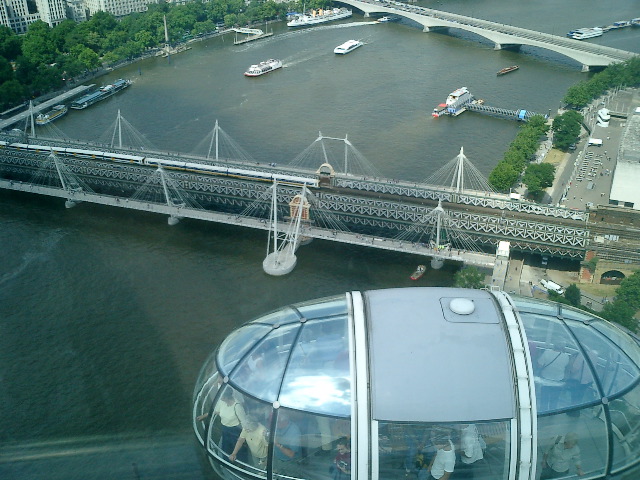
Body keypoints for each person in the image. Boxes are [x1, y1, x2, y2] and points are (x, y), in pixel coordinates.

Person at [214, 388, 247, 461]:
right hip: (225, 429)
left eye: (221, 396)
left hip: (235, 430)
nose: (220, 397)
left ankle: (241, 465)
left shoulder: (237, 406)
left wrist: (242, 437)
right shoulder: (222, 402)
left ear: (226, 397)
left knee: (238, 449)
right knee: (226, 447)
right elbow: (217, 411)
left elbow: (244, 423)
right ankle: (227, 462)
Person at [537, 342, 571, 411]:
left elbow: (539, 365)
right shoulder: (566, 356)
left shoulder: (547, 353)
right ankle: (552, 411)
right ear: (563, 348)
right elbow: (567, 368)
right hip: (558, 380)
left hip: (545, 379)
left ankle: (543, 411)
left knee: (544, 398)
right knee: (555, 398)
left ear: (554, 345)